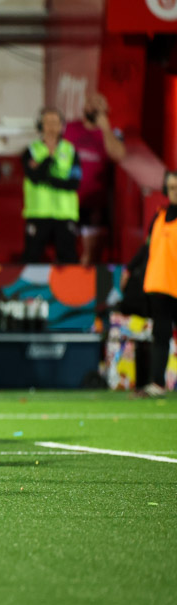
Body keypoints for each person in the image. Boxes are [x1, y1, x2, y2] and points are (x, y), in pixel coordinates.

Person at [129, 171, 177, 397]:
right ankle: (157, 383)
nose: (174, 191)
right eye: (171, 187)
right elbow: (147, 247)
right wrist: (130, 268)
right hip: (160, 284)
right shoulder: (158, 217)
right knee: (160, 334)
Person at [63, 93, 126, 265]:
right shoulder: (69, 128)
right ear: (84, 106)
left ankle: (84, 290)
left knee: (91, 256)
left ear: (106, 110)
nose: (94, 107)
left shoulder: (112, 132)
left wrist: (105, 128)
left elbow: (119, 155)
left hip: (95, 203)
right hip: (67, 201)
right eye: (91, 102)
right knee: (66, 254)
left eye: (100, 104)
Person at [22, 108, 81, 264]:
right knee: (32, 256)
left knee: (68, 257)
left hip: (64, 214)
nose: (51, 126)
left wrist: (45, 175)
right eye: (47, 122)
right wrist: (49, 159)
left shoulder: (70, 150)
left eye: (55, 122)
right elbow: (33, 177)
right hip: (38, 213)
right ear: (40, 125)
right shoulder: (31, 150)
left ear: (62, 126)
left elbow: (73, 183)